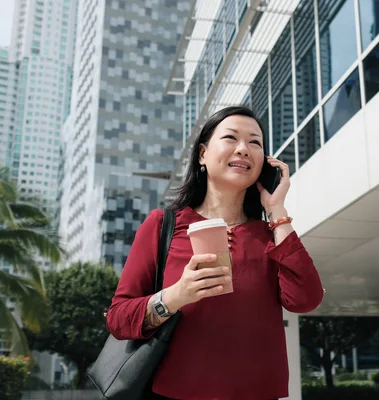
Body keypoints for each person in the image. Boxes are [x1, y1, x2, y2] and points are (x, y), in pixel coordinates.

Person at [106, 106, 324, 400]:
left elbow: (305, 299)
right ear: (202, 155)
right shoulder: (162, 225)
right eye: (231, 138)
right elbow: (118, 318)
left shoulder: (270, 234)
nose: (243, 149)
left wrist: (276, 211)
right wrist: (175, 296)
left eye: (255, 142)